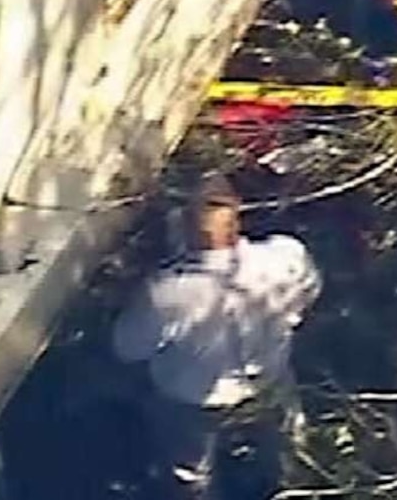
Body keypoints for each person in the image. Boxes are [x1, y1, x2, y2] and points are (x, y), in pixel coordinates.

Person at [110, 175, 320, 496]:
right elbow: (310, 291)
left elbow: (127, 348)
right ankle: (296, 485)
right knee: (284, 442)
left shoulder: (165, 293)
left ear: (184, 231)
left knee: (190, 472)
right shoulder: (285, 258)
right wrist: (288, 318)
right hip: (269, 379)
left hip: (191, 402)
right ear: (237, 219)